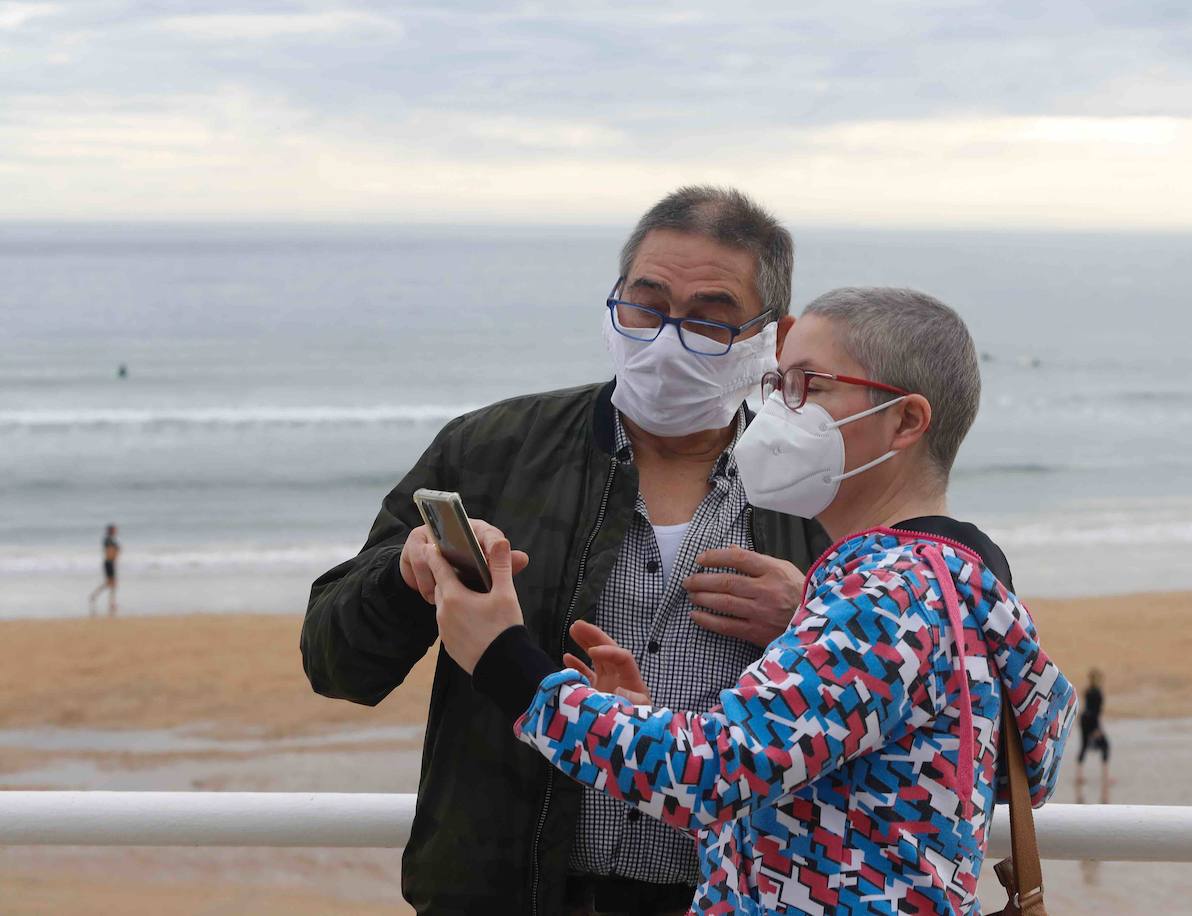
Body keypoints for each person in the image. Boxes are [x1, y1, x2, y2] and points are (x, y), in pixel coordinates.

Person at [433, 287, 1078, 914]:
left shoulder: (888, 597)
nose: (778, 411)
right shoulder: (956, 586)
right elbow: (835, 815)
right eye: (777, 385)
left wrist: (503, 660)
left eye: (809, 387)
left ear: (905, 421)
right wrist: (639, 720)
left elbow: (708, 776)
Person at [300, 186, 833, 914]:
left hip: (733, 898)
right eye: (645, 306)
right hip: (503, 896)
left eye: (709, 319)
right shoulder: (491, 453)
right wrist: (405, 574)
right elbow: (335, 665)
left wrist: (810, 622)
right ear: (614, 298)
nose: (667, 338)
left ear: (774, 334)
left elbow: (904, 706)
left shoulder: (817, 495)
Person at [1074, 668, 1110, 803]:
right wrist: (1097, 728)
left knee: (1083, 745)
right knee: (1105, 746)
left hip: (1084, 719)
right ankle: (1105, 777)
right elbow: (1097, 712)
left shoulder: (1087, 691)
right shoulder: (1098, 693)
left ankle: (1079, 776)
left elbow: (1088, 709)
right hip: (1092, 721)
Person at [88, 524, 119, 616]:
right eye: (114, 530)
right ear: (111, 530)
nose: (116, 531)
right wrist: (112, 558)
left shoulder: (111, 540)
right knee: (110, 583)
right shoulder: (108, 540)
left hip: (111, 562)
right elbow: (109, 552)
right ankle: (97, 596)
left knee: (112, 584)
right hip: (109, 562)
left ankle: (110, 602)